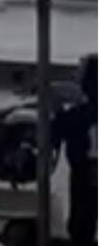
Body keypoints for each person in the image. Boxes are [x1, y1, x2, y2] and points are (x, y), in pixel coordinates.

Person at [54, 54, 97, 246]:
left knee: (82, 217)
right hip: (87, 166)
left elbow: (59, 129)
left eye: (79, 72)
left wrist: (56, 109)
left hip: (86, 167)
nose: (74, 76)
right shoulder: (86, 111)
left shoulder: (83, 113)